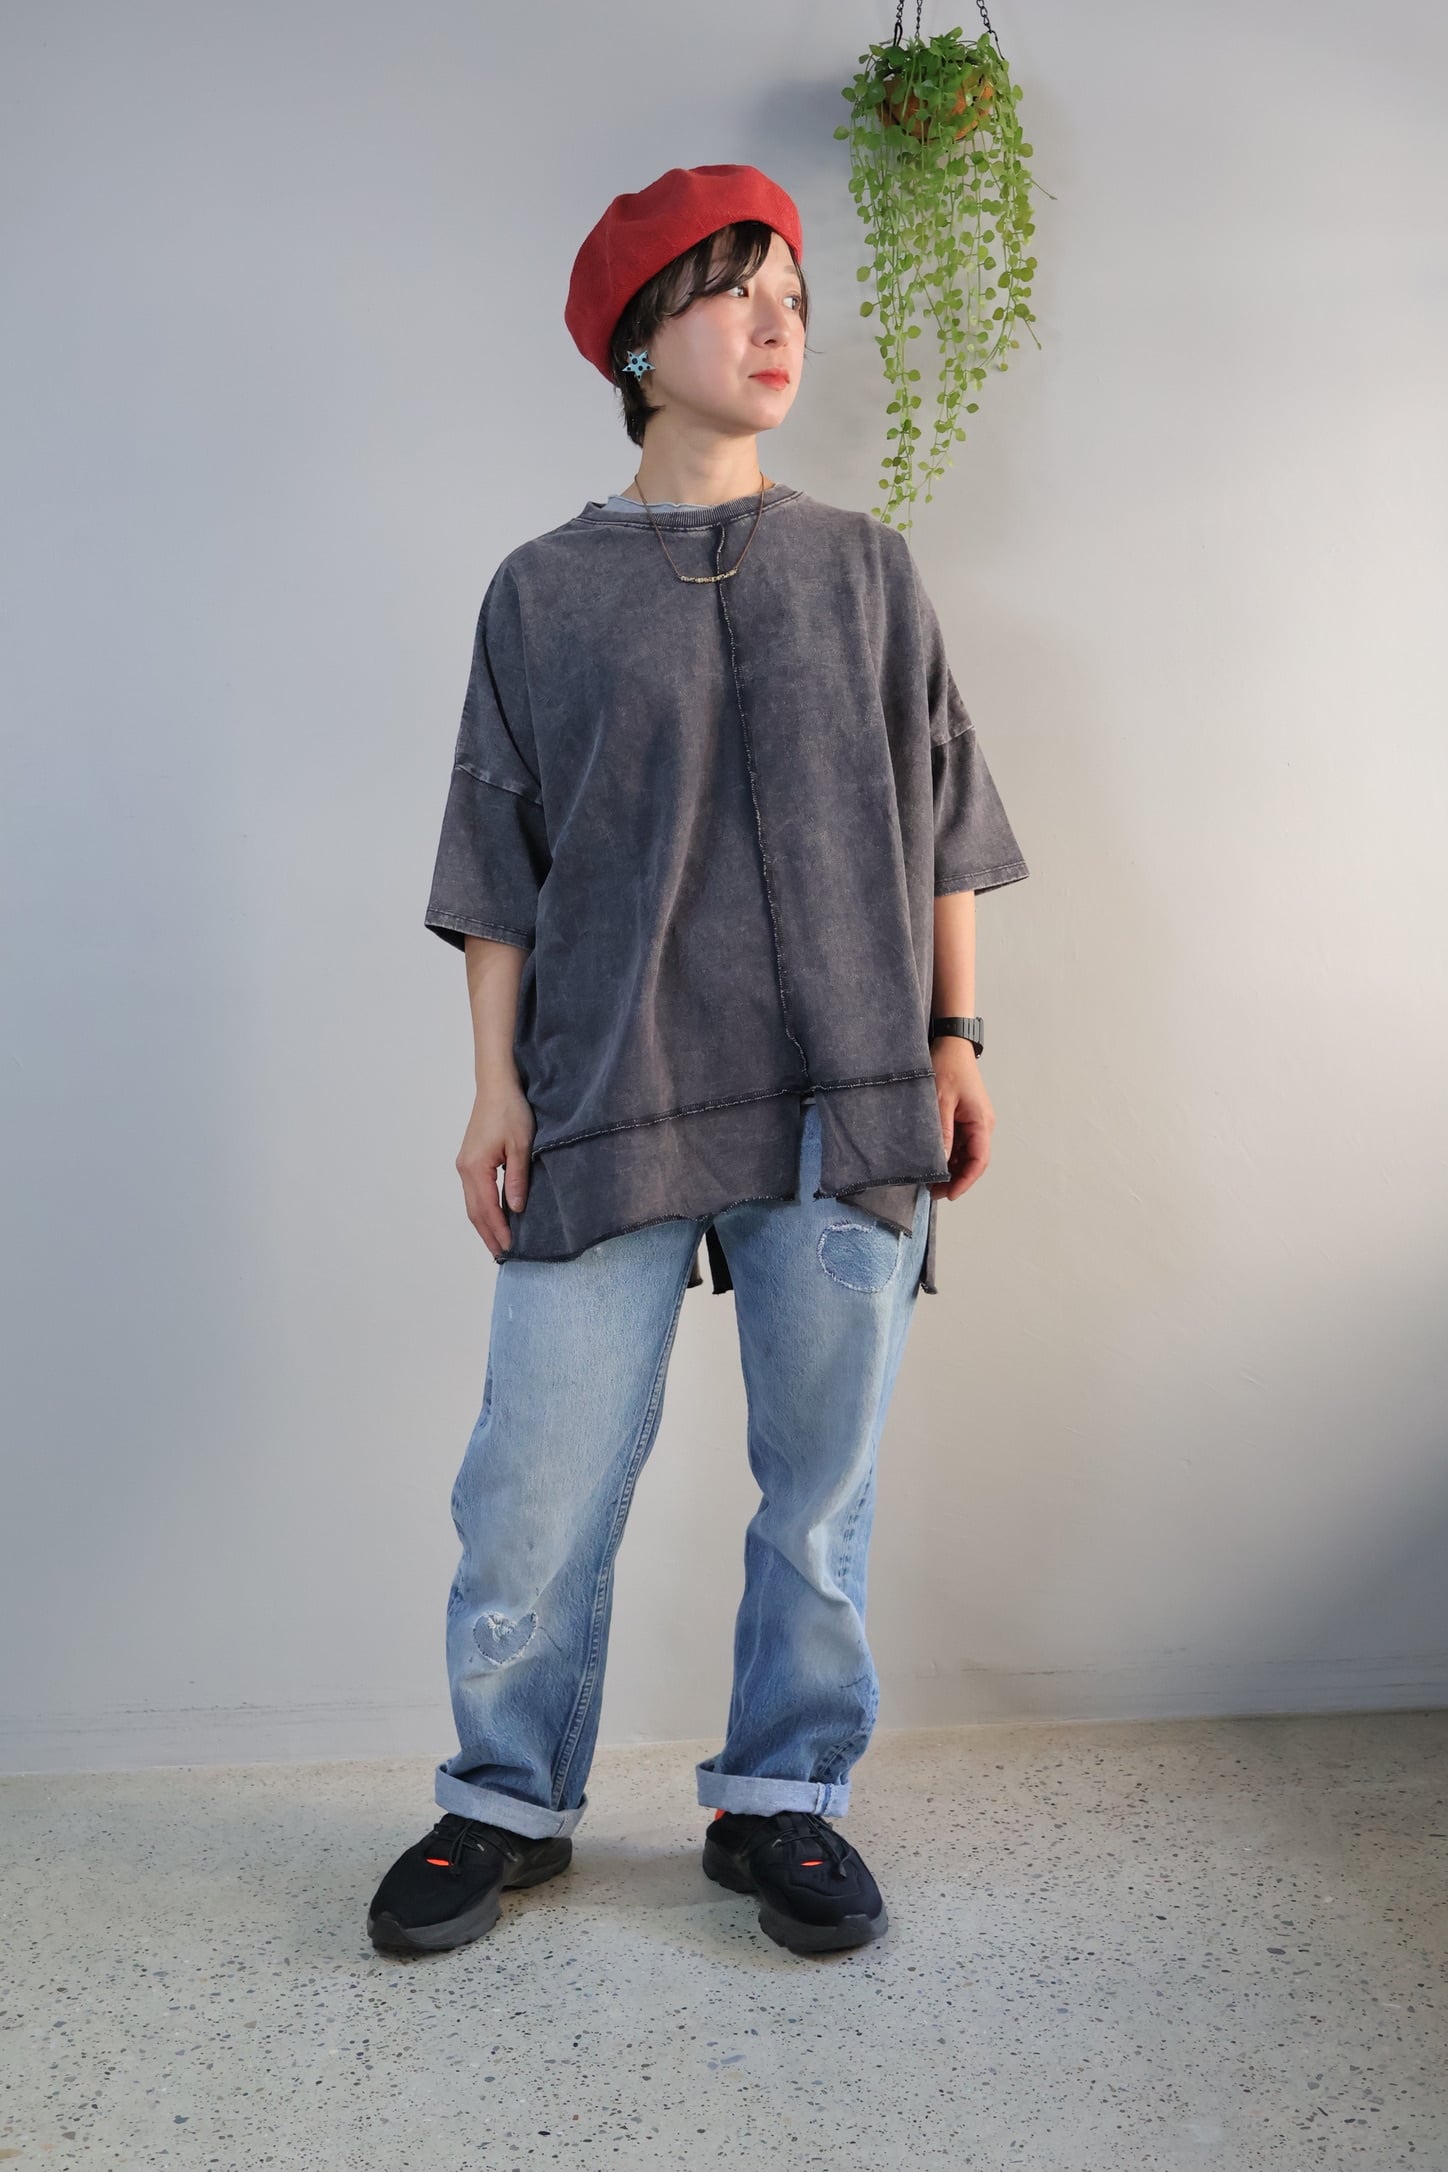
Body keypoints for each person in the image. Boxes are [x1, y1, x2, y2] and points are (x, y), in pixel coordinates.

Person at [367, 165, 1029, 1961]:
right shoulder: (542, 594)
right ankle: (504, 1802)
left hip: (845, 1089)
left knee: (820, 1494)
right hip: (612, 1087)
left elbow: (942, 818)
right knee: (532, 1484)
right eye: (736, 291)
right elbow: (498, 862)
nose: (776, 324)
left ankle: (781, 1798)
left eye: (794, 296)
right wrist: (494, 1089)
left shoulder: (867, 570)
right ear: (638, 343)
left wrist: (954, 1040)